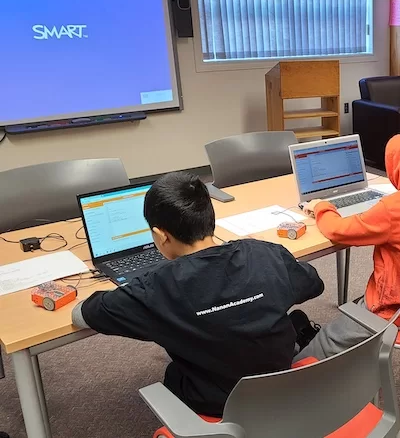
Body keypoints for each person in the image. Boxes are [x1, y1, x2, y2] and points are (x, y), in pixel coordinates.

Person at [71, 172, 324, 417]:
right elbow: (314, 283)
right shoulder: (263, 254)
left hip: (216, 402)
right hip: (280, 380)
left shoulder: (155, 288)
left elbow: (83, 314)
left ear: (161, 236)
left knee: (174, 373)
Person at [295, 126, 400, 360]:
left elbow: (338, 231)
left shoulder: (394, 208)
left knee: (327, 339)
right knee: (352, 311)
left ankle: (296, 372)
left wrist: (321, 207)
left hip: (391, 310)